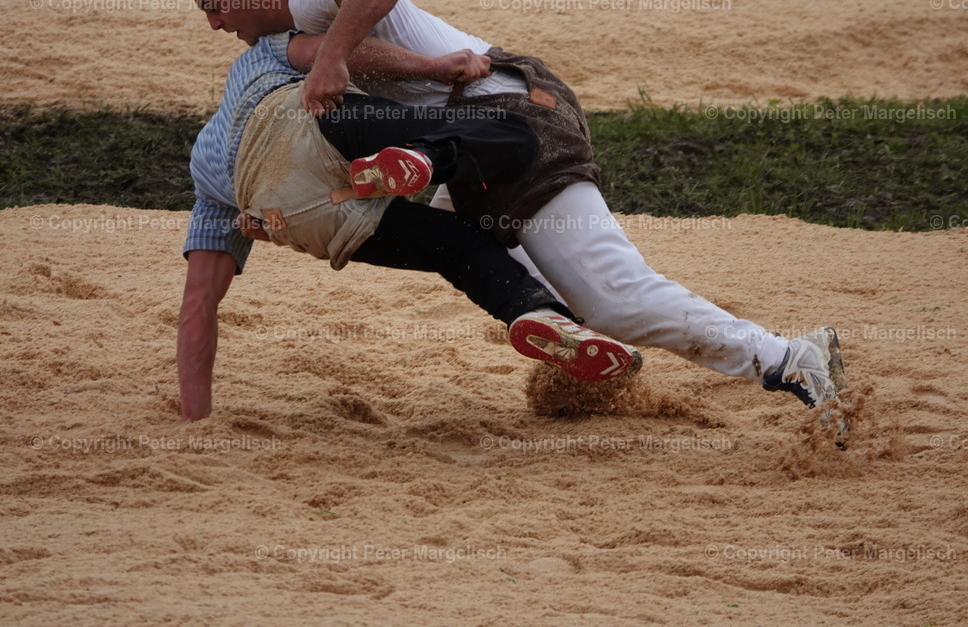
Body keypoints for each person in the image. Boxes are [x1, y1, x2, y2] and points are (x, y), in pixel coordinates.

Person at [179, 0, 849, 443]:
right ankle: (587, 377)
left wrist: (329, 57)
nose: (213, 25)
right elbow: (360, 64)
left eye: (214, 7)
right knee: (547, 300)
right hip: (456, 153)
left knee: (614, 297)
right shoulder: (283, 46)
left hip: (505, 116)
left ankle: (789, 357)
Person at [176, 31, 646, 422]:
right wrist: (433, 66)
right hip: (304, 126)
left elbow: (198, 303)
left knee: (457, 244)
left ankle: (545, 319)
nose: (221, 24)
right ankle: (428, 158)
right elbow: (334, 51)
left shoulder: (204, 171)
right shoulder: (257, 58)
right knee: (514, 136)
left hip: (283, 212)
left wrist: (195, 419)